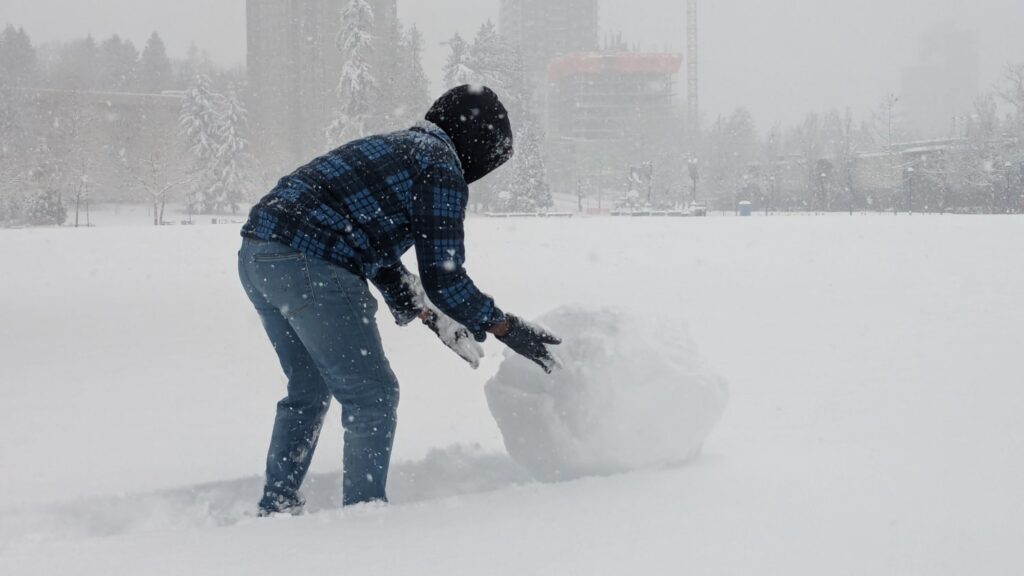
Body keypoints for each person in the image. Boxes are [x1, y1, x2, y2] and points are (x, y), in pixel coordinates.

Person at [237, 85, 562, 515]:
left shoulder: (399, 147)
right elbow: (444, 276)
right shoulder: (440, 164)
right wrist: (505, 327)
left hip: (258, 254)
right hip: (309, 262)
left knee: (309, 388)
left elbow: (371, 247)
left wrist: (432, 316)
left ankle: (277, 504)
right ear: (477, 145)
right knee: (372, 395)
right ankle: (365, 517)